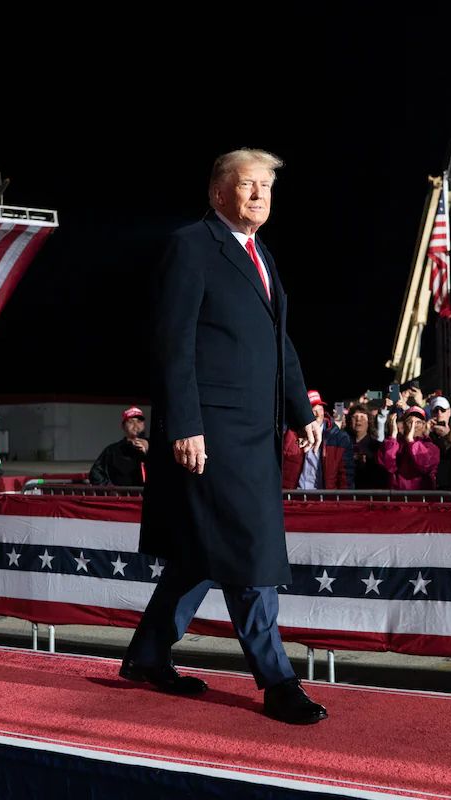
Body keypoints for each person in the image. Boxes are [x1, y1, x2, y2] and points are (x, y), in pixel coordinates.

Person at [124, 148, 327, 725]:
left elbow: (277, 343)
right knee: (249, 550)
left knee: (201, 552)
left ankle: (147, 654)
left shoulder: (259, 253)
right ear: (219, 193)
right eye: (249, 185)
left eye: (267, 185)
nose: (260, 194)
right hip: (210, 433)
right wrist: (184, 424)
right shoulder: (192, 246)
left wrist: (300, 410)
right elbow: (173, 342)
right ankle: (277, 680)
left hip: (253, 435)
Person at [282, 391, 354, 489]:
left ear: (323, 411)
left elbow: (345, 477)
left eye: (319, 409)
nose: (316, 414)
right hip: (294, 497)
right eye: (312, 410)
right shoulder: (289, 433)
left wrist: (344, 502)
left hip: (324, 499)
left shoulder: (339, 438)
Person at [89, 406, 149, 486]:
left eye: (139, 421)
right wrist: (112, 491)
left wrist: (148, 450)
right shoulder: (112, 450)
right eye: (131, 422)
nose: (135, 425)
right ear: (123, 426)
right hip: (124, 497)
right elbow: (95, 474)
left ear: (144, 425)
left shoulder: (154, 446)